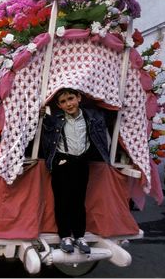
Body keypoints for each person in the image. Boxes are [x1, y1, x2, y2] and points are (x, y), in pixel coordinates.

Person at [40, 88, 110, 254]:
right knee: (62, 200)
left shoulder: (92, 116)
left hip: (81, 162)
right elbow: (38, 125)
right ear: (58, 105)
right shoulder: (55, 120)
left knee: (79, 200)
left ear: (79, 97)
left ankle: (79, 236)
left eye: (71, 98)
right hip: (62, 162)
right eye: (63, 102)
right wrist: (41, 115)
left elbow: (110, 114)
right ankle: (65, 236)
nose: (68, 104)